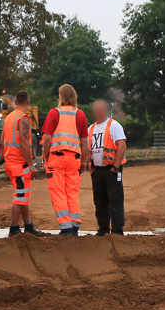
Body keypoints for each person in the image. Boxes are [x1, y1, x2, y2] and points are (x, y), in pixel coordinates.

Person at [41, 84, 89, 236]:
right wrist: (84, 161)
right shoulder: (80, 114)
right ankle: (74, 225)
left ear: (60, 97)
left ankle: (66, 227)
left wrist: (46, 155)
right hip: (74, 158)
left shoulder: (54, 113)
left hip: (56, 158)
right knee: (72, 192)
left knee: (58, 191)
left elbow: (47, 138)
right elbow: (85, 142)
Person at [2, 90, 41, 237]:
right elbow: (25, 144)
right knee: (19, 196)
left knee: (23, 195)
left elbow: (2, 140)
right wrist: (31, 165)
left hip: (10, 162)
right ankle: (14, 227)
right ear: (28, 102)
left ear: (16, 102)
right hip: (19, 164)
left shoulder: (9, 118)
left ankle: (28, 224)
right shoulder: (23, 119)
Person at [88, 99, 127, 236]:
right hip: (97, 170)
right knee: (99, 201)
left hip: (111, 170)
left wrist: (116, 167)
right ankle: (103, 228)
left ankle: (117, 230)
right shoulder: (90, 129)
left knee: (115, 200)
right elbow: (89, 150)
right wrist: (91, 168)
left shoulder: (114, 125)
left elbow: (121, 146)